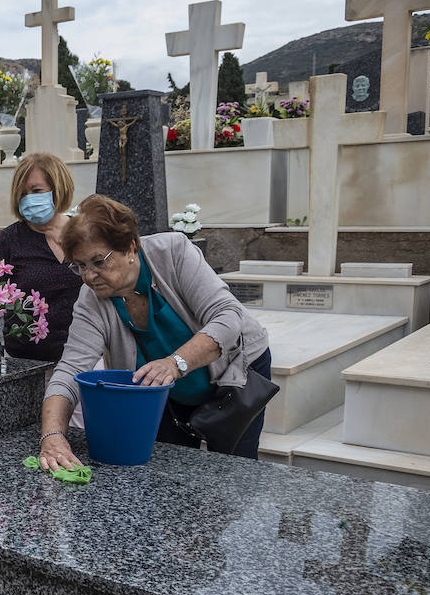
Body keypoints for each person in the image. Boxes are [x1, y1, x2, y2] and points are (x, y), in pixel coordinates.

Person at [38, 195, 272, 469]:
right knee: (169, 471)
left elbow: (228, 317)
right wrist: (52, 436)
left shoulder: (173, 252)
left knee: (235, 469)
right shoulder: (91, 301)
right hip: (167, 393)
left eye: (98, 262)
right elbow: (70, 370)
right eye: (80, 266)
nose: (89, 276)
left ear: (130, 247)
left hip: (234, 374)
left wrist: (175, 363)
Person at [0, 152, 83, 362]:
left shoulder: (84, 233)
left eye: (36, 190)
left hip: (84, 356)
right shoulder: (9, 240)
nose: (29, 199)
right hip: (26, 361)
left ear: (58, 188)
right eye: (23, 194)